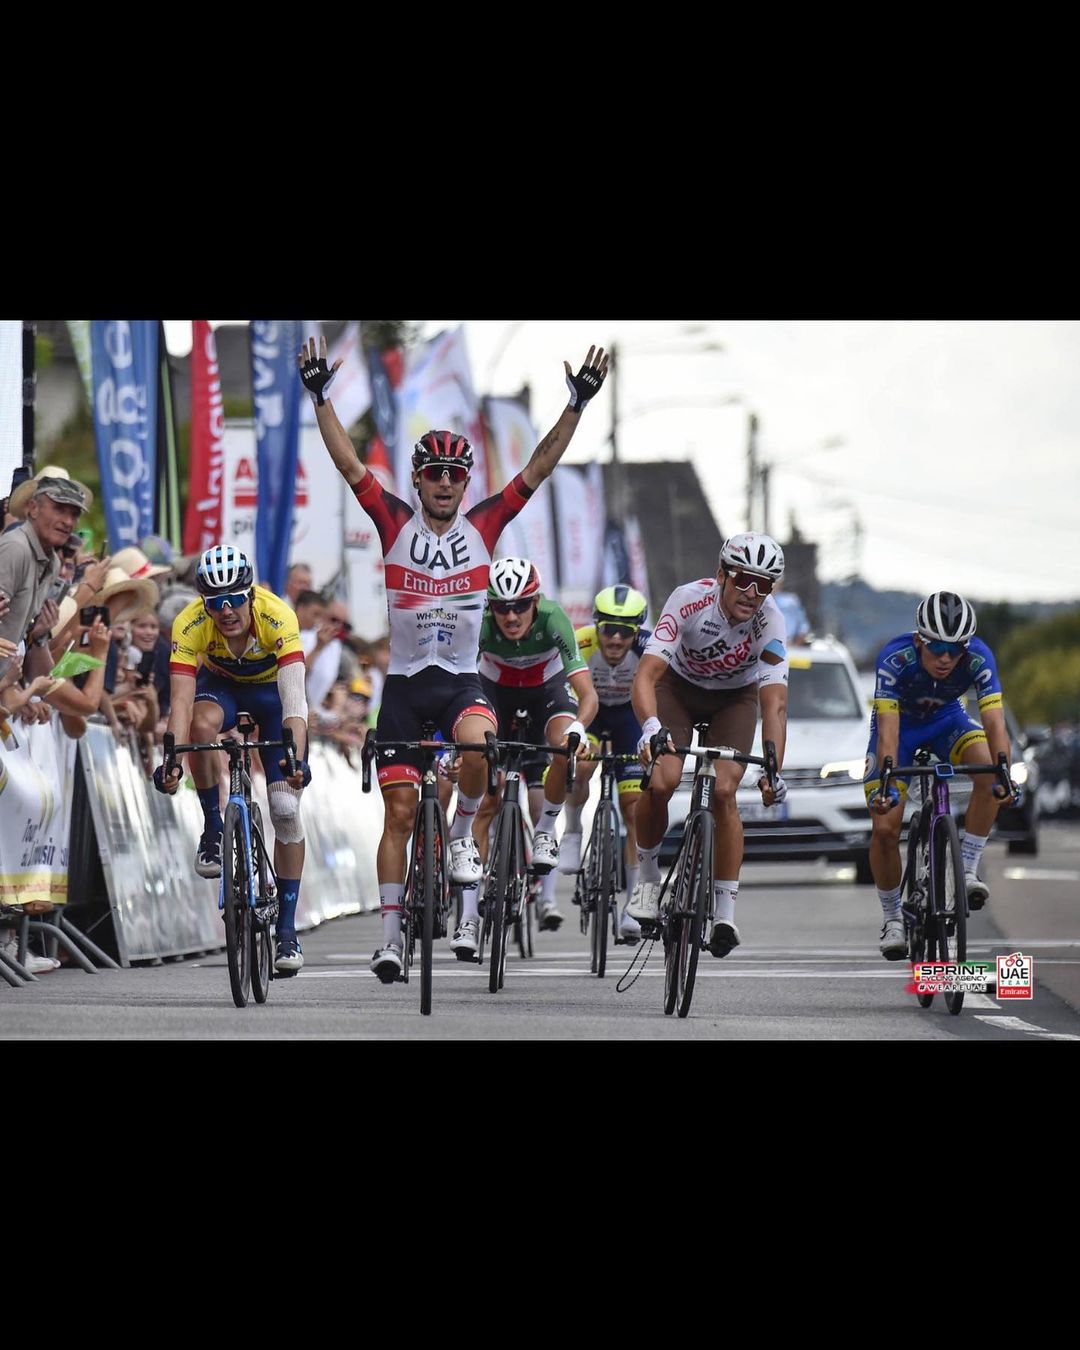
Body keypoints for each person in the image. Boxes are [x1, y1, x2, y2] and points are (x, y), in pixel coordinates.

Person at [300, 333, 607, 982]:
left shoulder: (484, 527)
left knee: (477, 746)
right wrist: (321, 396)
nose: (444, 482)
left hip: (461, 683)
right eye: (434, 473)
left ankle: (463, 833)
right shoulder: (393, 522)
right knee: (399, 816)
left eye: (455, 474)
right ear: (417, 479)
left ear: (466, 483)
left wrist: (576, 405)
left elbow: (538, 469)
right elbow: (349, 463)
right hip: (404, 687)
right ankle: (390, 939)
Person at [152, 545, 313, 975]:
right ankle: (212, 827)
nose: (226, 611)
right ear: (203, 603)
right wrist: (172, 759)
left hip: (273, 696)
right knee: (201, 728)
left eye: (235, 599)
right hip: (221, 688)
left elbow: (294, 701)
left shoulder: (278, 616)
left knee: (285, 809)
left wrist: (295, 758)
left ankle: (286, 929)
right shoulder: (189, 623)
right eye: (215, 602)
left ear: (250, 595)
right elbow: (180, 703)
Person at [628, 533, 790, 958]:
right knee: (662, 780)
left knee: (724, 791)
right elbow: (646, 675)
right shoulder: (688, 601)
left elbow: (775, 705)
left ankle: (724, 913)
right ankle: (647, 879)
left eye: (764, 584)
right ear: (721, 575)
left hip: (734, 700)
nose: (752, 593)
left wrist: (773, 768)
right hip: (677, 691)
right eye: (743, 580)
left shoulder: (771, 621)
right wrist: (650, 727)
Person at [865, 591, 1019, 960]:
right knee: (885, 827)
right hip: (901, 728)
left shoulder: (979, 656)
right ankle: (893, 919)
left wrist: (1005, 773)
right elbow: (888, 729)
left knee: (989, 773)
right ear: (920, 640)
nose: (946, 658)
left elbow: (994, 721)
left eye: (955, 649)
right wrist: (887, 781)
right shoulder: (895, 657)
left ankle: (967, 869)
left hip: (947, 721)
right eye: (937, 648)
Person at [468, 558, 597, 943]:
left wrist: (578, 728)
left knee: (562, 747)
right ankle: (468, 914)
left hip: (546, 689)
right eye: (501, 607)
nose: (511, 616)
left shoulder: (554, 618)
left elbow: (587, 693)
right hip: (495, 691)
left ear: (536, 601)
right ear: (490, 606)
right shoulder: (481, 624)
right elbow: (458, 685)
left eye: (521, 605)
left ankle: (544, 833)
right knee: (486, 801)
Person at [562, 584, 652, 943]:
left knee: (633, 809)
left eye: (624, 632)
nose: (615, 639)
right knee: (582, 766)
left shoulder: (649, 649)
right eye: (608, 629)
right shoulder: (581, 642)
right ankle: (572, 829)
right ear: (596, 626)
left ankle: (633, 905)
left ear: (637, 632)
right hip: (592, 713)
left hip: (629, 717)